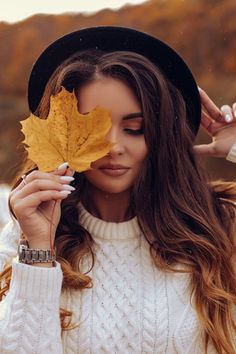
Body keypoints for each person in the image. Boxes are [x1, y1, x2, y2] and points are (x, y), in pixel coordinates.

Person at [0, 26, 235, 354]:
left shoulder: (220, 224)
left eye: (134, 129)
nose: (114, 147)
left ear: (161, 132)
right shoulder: (22, 239)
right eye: (92, 130)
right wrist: (39, 250)